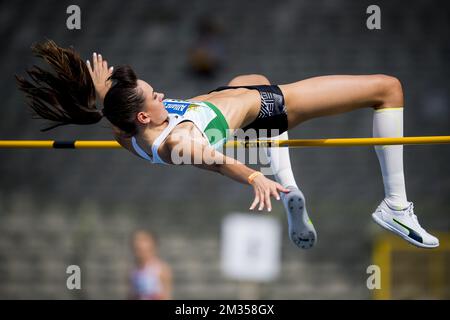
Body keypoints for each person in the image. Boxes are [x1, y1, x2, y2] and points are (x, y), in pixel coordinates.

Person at [16, 40, 439, 249]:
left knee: (249, 78)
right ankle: (395, 207)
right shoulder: (178, 139)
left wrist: (99, 88)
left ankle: (291, 186)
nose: (162, 95)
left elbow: (113, 110)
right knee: (387, 88)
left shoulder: (126, 131)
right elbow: (217, 162)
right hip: (271, 109)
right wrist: (254, 177)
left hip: (229, 103)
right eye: (155, 96)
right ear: (145, 116)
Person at [129, 230, 172, 300]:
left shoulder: (161, 268)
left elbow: (166, 296)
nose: (138, 243)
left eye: (143, 240)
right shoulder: (133, 270)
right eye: (136, 240)